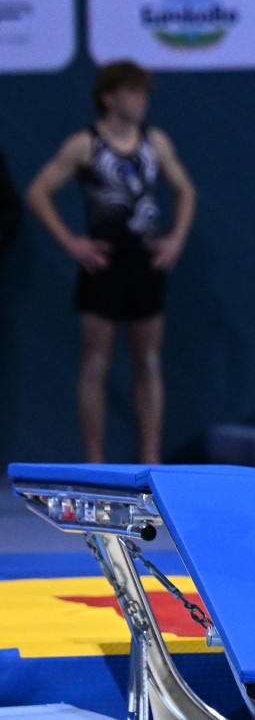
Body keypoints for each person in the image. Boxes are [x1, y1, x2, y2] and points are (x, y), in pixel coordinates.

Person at [25, 61, 196, 464]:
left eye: (144, 93)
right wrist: (70, 242)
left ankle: (151, 458)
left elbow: (186, 190)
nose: (142, 100)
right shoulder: (85, 144)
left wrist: (176, 240)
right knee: (95, 363)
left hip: (145, 262)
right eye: (133, 92)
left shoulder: (155, 142)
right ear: (109, 98)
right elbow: (38, 192)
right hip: (103, 264)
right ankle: (94, 460)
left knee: (148, 362)